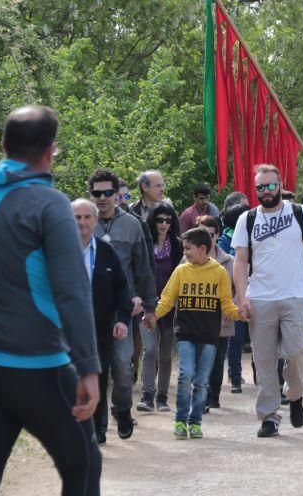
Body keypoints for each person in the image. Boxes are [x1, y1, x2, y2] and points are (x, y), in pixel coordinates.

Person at [0, 106, 101, 495]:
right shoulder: (49, 204)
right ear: (50, 152)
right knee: (82, 463)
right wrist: (89, 368)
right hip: (35, 366)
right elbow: (72, 292)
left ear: (2, 145)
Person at [232, 163, 303, 438]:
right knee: (263, 360)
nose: (265, 191)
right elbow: (240, 261)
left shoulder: (300, 213)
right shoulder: (247, 219)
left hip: (294, 295)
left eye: (270, 185)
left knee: (297, 351)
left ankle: (295, 395)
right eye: (260, 187)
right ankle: (269, 416)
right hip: (260, 297)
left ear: (280, 184)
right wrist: (241, 297)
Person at [144, 228, 245, 439]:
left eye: (188, 248)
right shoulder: (181, 271)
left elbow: (227, 305)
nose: (185, 253)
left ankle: (195, 421)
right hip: (185, 333)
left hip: (209, 336)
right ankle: (180, 420)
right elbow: (167, 300)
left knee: (200, 380)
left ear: (202, 249)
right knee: (185, 374)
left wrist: (240, 314)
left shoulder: (219, 272)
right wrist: (154, 315)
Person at [89, 168, 156, 440]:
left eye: (108, 193)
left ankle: (123, 409)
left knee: (122, 364)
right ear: (91, 195)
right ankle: (98, 425)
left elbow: (144, 267)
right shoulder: (81, 222)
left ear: (117, 194)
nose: (103, 198)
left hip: (122, 309)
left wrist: (149, 305)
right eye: (97, 193)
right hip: (89, 310)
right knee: (95, 368)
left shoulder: (132, 225)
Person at [72, 198, 132, 444]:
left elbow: (121, 288)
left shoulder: (106, 252)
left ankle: (98, 429)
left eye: (87, 217)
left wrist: (123, 320)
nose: (83, 222)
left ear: (95, 221)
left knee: (98, 375)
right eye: (77, 218)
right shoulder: (57, 250)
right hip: (67, 329)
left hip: (101, 326)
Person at [137, 203, 182, 413]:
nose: (163, 224)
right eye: (159, 220)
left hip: (171, 307)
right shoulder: (144, 244)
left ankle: (162, 397)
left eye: (168, 220)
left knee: (165, 354)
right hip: (148, 305)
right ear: (152, 222)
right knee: (150, 350)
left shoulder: (178, 245)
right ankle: (147, 395)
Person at [192, 215, 237, 411]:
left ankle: (214, 395)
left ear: (218, 235)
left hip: (221, 319)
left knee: (217, 361)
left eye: (211, 234)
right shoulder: (187, 260)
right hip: (196, 319)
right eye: (203, 234)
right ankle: (202, 397)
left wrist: (232, 307)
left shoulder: (229, 261)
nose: (208, 238)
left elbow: (239, 288)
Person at [220, 203, 252, 392]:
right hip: (235, 294)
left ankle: (261, 376)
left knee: (259, 339)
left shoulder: (257, 234)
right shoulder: (225, 239)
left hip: (257, 291)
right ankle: (236, 378)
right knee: (236, 339)